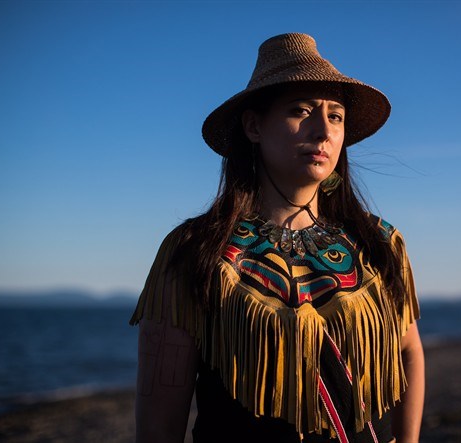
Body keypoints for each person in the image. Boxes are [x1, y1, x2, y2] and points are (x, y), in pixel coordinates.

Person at [130, 33, 424, 443]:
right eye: (301, 110)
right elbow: (160, 424)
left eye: (336, 116)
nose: (323, 131)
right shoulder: (195, 251)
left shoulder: (379, 242)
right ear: (253, 126)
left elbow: (408, 352)